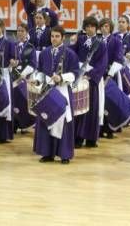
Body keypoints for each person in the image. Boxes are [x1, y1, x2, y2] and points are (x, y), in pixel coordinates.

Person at [32, 25, 79, 164]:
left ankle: (64, 154)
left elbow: (76, 73)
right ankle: (48, 153)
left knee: (63, 121)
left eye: (57, 36)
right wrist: (37, 80)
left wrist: (62, 78)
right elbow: (40, 71)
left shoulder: (70, 54)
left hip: (62, 91)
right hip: (47, 91)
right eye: (52, 36)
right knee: (46, 119)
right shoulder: (44, 53)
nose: (54, 39)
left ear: (63, 38)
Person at [70, 17, 108, 148]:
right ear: (84, 28)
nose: (90, 29)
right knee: (78, 108)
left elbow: (102, 64)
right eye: (88, 26)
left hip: (91, 81)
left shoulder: (101, 43)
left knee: (91, 109)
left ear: (96, 28)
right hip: (79, 78)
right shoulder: (79, 40)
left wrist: (90, 75)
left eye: (92, 26)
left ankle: (91, 138)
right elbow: (71, 54)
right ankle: (77, 138)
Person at [99, 18, 125, 139]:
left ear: (110, 28)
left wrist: (110, 75)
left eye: (107, 26)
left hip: (111, 75)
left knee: (110, 102)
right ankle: (99, 127)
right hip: (99, 75)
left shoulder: (116, 41)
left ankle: (110, 129)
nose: (104, 28)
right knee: (100, 102)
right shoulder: (98, 40)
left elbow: (119, 59)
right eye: (103, 26)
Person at [10, 23, 37, 133]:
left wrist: (23, 74)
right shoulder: (13, 46)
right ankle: (14, 124)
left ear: (26, 33)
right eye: (18, 30)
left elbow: (33, 64)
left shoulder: (31, 47)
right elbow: (8, 60)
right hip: (13, 77)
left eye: (22, 31)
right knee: (14, 101)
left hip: (25, 79)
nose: (20, 33)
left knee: (24, 102)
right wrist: (11, 64)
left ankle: (25, 124)